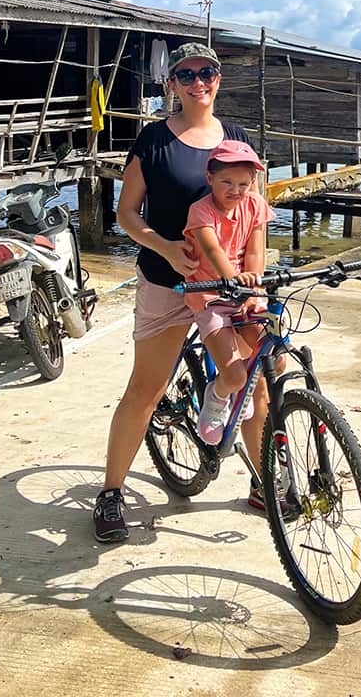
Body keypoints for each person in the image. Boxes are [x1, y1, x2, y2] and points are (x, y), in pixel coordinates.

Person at [93, 42, 261, 542]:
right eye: (185, 75)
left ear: (218, 79)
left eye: (206, 72)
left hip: (226, 286)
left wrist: (254, 278)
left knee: (255, 379)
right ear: (172, 84)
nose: (196, 82)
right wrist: (163, 247)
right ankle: (111, 493)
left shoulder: (238, 139)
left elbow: (257, 217)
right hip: (167, 282)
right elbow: (126, 214)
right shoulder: (153, 140)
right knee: (147, 388)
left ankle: (265, 480)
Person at [182, 140, 274, 450]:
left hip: (246, 290)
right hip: (211, 296)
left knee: (276, 354)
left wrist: (253, 289)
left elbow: (255, 251)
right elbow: (212, 249)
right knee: (234, 376)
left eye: (244, 184)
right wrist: (233, 281)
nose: (236, 190)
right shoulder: (200, 211)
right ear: (210, 178)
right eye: (227, 182)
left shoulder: (255, 205)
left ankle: (242, 395)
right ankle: (217, 395)